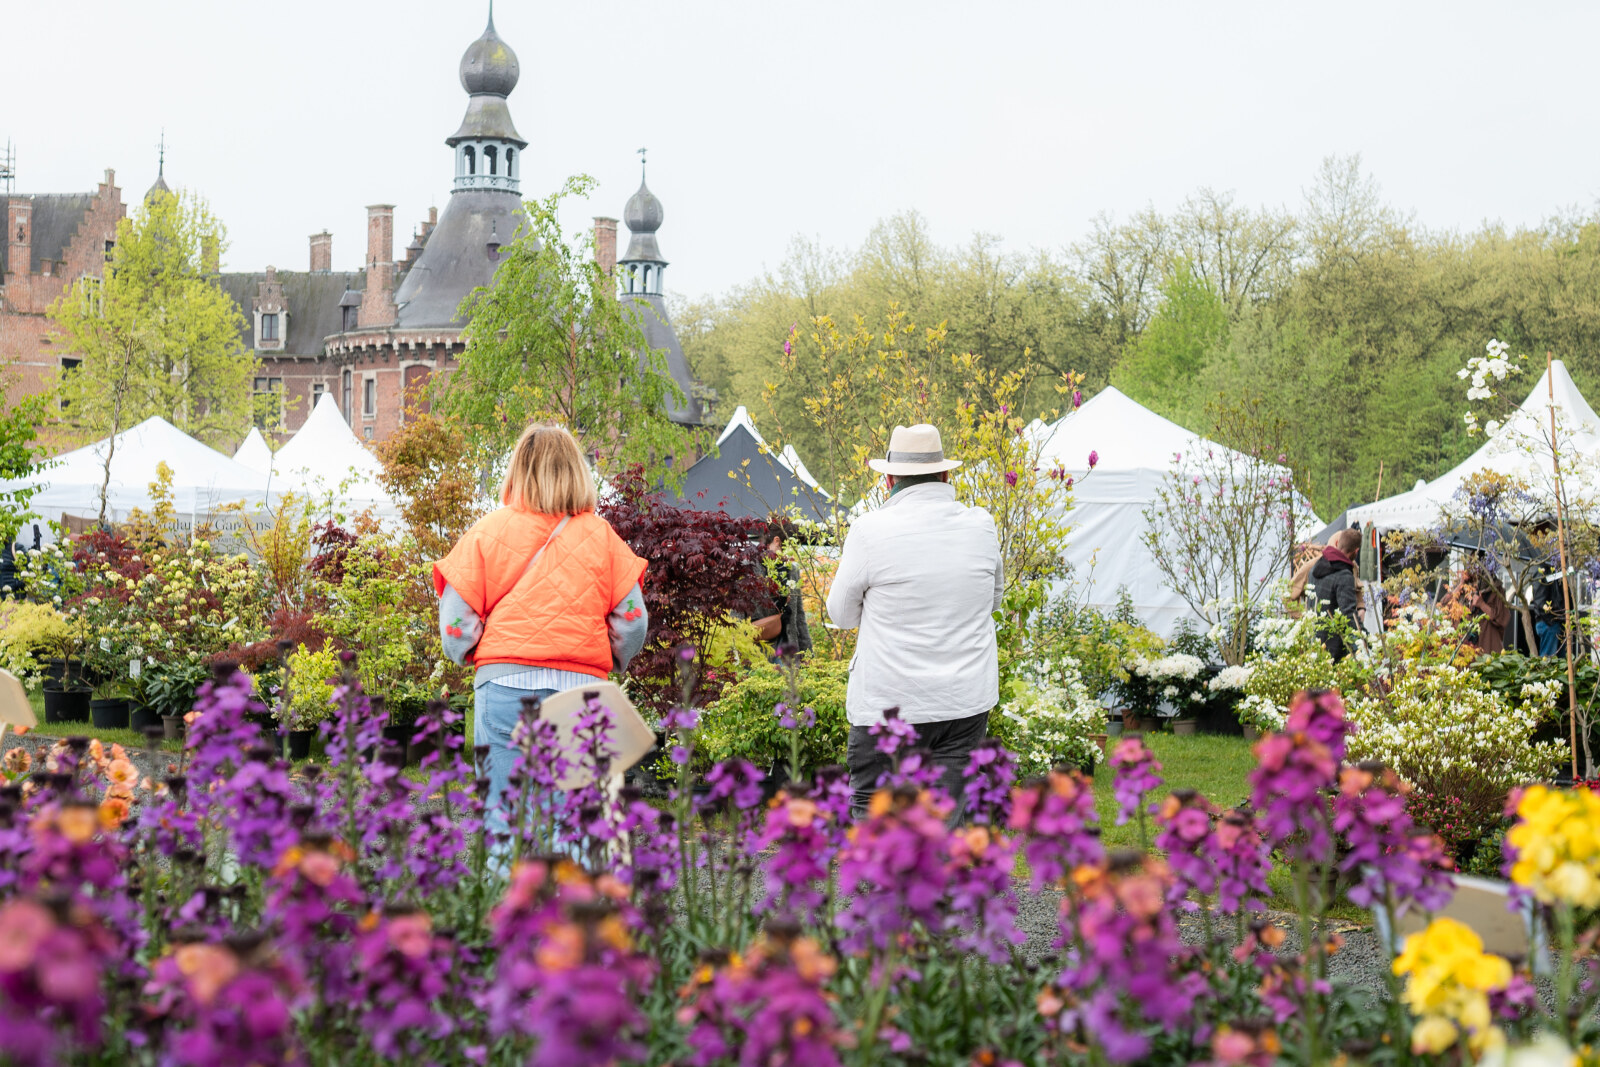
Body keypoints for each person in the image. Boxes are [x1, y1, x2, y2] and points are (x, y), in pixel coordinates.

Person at [433, 423, 650, 846]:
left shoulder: (487, 532)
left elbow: (455, 625)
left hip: (504, 687)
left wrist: (479, 653)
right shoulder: (603, 537)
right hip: (581, 690)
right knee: (577, 829)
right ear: (577, 472)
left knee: (505, 824)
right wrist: (608, 657)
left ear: (518, 470)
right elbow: (633, 620)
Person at [825, 423, 1003, 819]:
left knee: (877, 822)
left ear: (888, 480)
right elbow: (993, 600)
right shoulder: (981, 525)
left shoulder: (869, 531)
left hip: (888, 706)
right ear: (945, 475)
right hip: (963, 702)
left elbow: (841, 615)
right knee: (946, 820)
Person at [1310, 528, 1363, 660]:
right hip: (1335, 649)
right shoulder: (1344, 576)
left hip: (1313, 641)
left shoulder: (1315, 567)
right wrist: (1365, 640)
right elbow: (1349, 614)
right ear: (1356, 551)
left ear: (1338, 542)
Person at [763, 517, 812, 657]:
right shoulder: (752, 567)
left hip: (787, 648)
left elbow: (799, 616)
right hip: (758, 649)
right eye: (791, 547)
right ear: (777, 541)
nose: (793, 554)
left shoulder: (792, 569)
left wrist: (807, 654)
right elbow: (738, 616)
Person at [1535, 571, 1570, 657]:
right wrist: (1551, 621)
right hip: (1549, 623)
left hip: (1557, 622)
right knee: (1548, 659)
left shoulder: (1557, 572)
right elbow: (1541, 602)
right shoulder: (1543, 572)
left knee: (1560, 660)